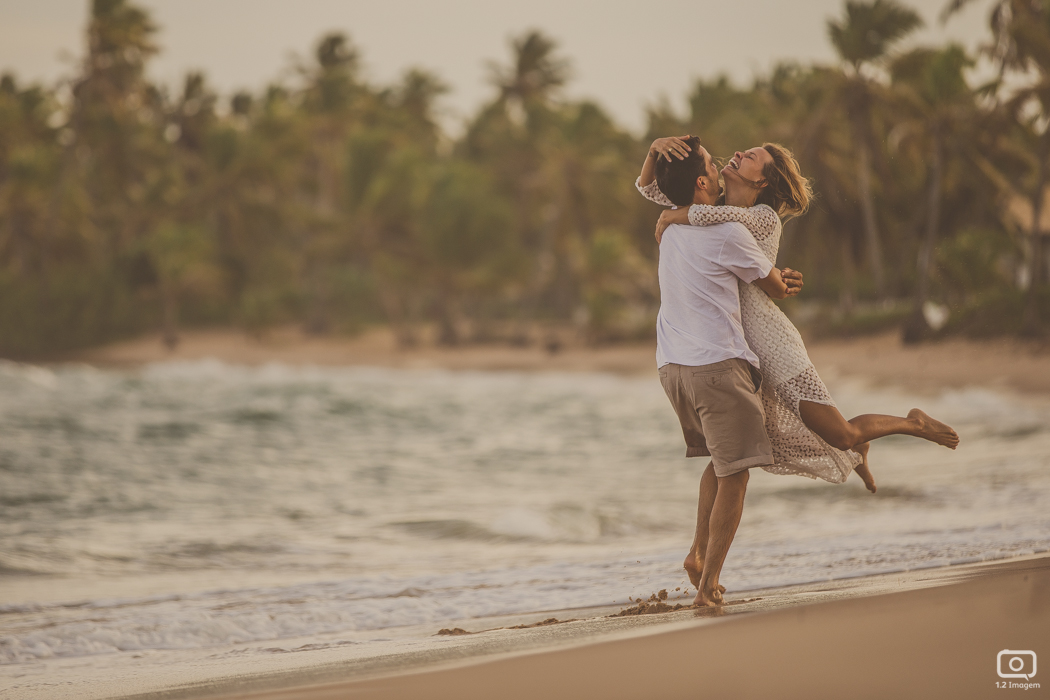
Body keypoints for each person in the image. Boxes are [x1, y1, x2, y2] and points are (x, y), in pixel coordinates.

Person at [639, 136, 959, 599]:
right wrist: (656, 153)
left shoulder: (758, 217)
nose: (738, 154)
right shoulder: (717, 208)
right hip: (738, 353)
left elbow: (699, 213)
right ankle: (699, 554)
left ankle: (911, 423)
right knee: (728, 461)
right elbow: (670, 194)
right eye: (741, 152)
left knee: (841, 434)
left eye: (751, 158)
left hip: (773, 347)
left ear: (761, 181)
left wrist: (673, 215)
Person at [650, 138, 802, 606]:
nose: (721, 168)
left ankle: (698, 556)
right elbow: (772, 285)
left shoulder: (669, 229)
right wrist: (786, 280)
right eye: (713, 167)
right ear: (701, 184)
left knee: (721, 462)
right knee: (736, 476)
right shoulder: (729, 234)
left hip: (672, 369)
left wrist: (656, 151)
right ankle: (708, 583)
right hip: (716, 366)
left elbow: (658, 192)